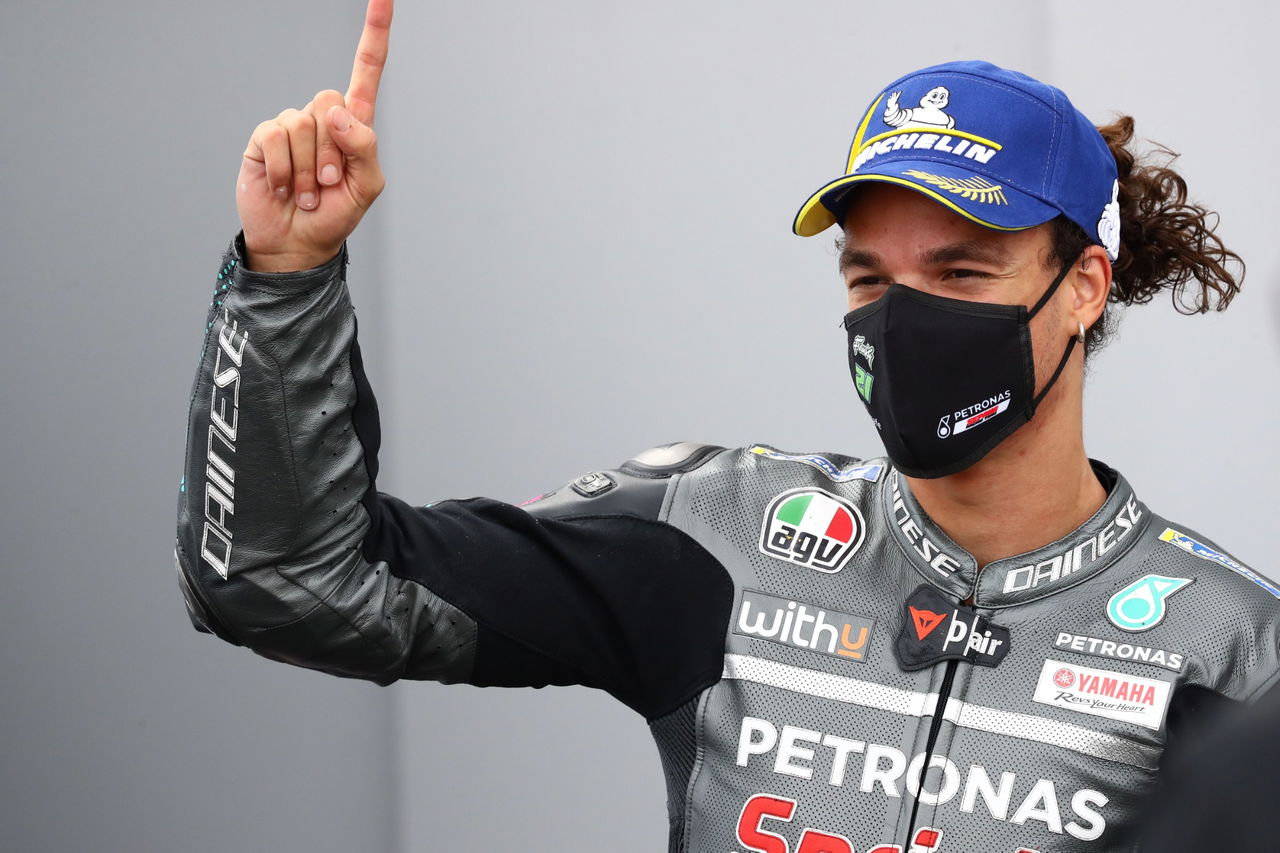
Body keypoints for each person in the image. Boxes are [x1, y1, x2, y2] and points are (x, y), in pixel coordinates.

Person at [173, 1, 1280, 850]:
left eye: (960, 272)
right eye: (868, 278)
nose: (903, 319)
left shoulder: (1235, 652)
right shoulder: (717, 530)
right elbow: (289, 580)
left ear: (1082, 286)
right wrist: (288, 275)